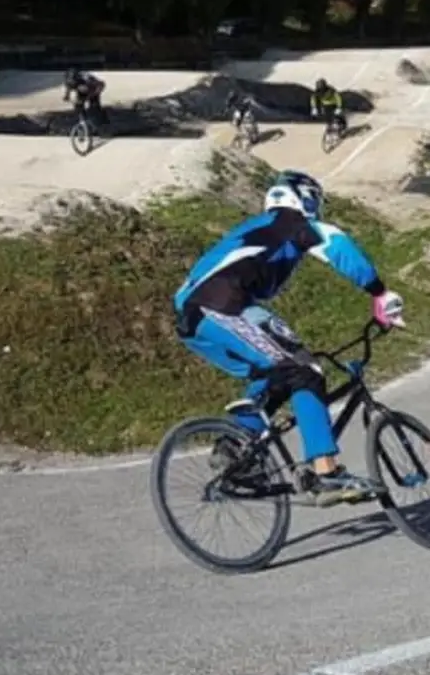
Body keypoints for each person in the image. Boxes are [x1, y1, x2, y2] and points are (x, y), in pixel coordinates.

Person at [172, 169, 405, 506]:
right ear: (302, 198)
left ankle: (234, 446)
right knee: (305, 370)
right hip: (221, 306)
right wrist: (380, 293)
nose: (317, 207)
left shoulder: (260, 229)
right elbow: (339, 247)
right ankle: (326, 472)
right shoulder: (291, 223)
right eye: (314, 199)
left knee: (274, 372)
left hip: (194, 317)